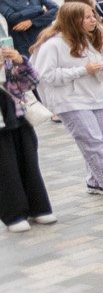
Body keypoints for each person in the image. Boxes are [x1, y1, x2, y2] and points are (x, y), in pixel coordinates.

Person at [32, 0, 103, 201]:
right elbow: (45, 75)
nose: (93, 21)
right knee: (92, 142)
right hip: (69, 101)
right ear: (73, 20)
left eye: (93, 16)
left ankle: (95, 181)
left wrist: (101, 69)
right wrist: (83, 70)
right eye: (87, 17)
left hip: (95, 96)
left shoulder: (90, 39)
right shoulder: (52, 44)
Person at [0, 44, 56, 230]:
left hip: (18, 115)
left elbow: (31, 83)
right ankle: (13, 215)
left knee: (29, 161)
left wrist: (18, 61)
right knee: (5, 168)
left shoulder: (8, 58)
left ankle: (38, 207)